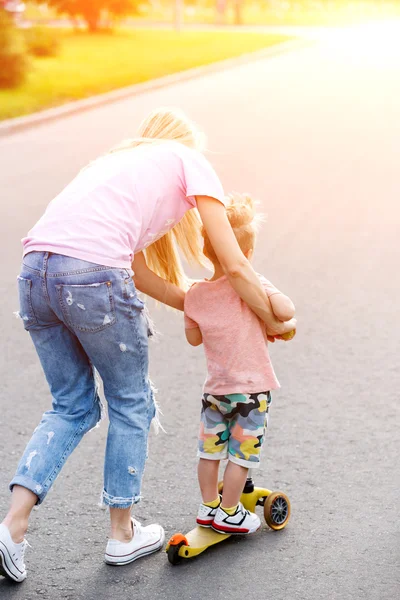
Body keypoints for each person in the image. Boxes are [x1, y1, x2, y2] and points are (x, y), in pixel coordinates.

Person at [0, 108, 296, 583]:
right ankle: (122, 535)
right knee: (130, 401)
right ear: (185, 142)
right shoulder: (189, 161)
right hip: (91, 277)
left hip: (35, 271)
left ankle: (11, 528)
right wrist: (269, 318)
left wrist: (208, 308)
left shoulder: (113, 165)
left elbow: (138, 273)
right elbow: (236, 265)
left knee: (70, 406)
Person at [184, 193, 296, 534]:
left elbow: (193, 338)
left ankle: (208, 507)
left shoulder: (196, 294)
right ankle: (230, 512)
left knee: (210, 452)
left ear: (206, 250)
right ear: (246, 254)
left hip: (215, 392)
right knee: (241, 456)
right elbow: (286, 311)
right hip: (250, 392)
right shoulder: (254, 285)